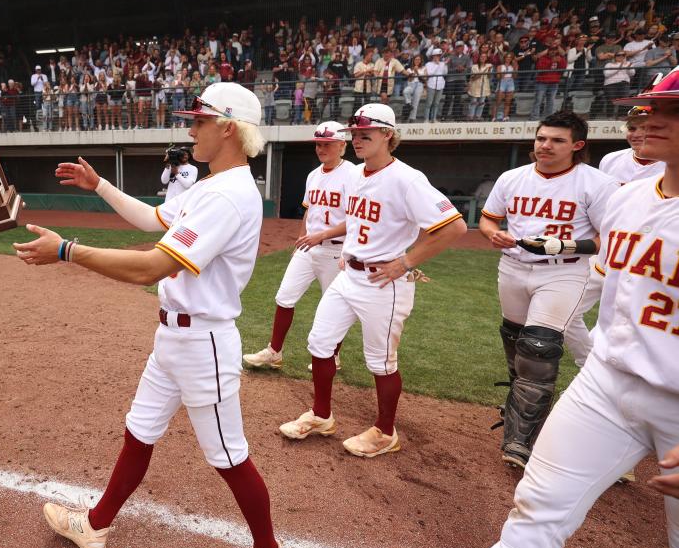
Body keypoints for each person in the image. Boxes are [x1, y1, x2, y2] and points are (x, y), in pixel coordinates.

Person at [14, 82, 287, 548]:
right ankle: (95, 526)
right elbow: (154, 219)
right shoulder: (210, 185)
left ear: (228, 128)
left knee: (229, 457)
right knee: (139, 432)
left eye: (200, 121)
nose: (191, 129)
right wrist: (100, 186)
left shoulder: (229, 195)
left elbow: (151, 266)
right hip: (174, 336)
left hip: (203, 340)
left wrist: (68, 250)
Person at [461, 65, 679, 548]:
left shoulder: (600, 188)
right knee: (536, 508)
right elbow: (610, 294)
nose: (649, 118)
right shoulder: (631, 198)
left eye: (673, 110)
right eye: (651, 106)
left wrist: (560, 254)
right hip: (606, 385)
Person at [277, 104, 466, 457]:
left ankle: (385, 432)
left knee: (380, 362)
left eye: (367, 134)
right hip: (350, 274)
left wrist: (406, 263)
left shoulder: (407, 179)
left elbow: (453, 227)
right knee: (319, 343)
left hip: (384, 282)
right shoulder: (358, 175)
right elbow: (357, 222)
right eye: (355, 134)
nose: (358, 140)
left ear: (388, 135)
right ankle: (320, 415)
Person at [478, 110, 619, 469]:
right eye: (542, 138)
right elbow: (488, 217)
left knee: (539, 347)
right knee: (514, 340)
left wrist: (566, 246)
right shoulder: (513, 178)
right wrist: (492, 233)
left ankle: (521, 441)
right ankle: (518, 413)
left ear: (578, 145)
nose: (545, 145)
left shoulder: (595, 183)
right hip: (512, 266)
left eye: (557, 140)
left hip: (563, 272)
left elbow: (611, 238)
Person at [244, 121, 353, 371]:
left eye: (327, 144)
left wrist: (321, 235)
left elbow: (356, 220)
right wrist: (301, 238)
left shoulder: (353, 175)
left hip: (337, 250)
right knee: (284, 297)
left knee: (334, 306)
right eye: (318, 144)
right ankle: (274, 352)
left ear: (341, 145)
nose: (321, 148)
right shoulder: (313, 175)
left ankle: (333, 356)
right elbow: (309, 212)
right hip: (309, 247)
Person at [564, 106, 666, 366]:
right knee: (565, 315)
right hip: (604, 254)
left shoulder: (669, 166)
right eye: (633, 128)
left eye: (646, 127)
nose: (638, 134)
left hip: (644, 258)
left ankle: (596, 374)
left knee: (625, 325)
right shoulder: (612, 160)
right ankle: (589, 367)